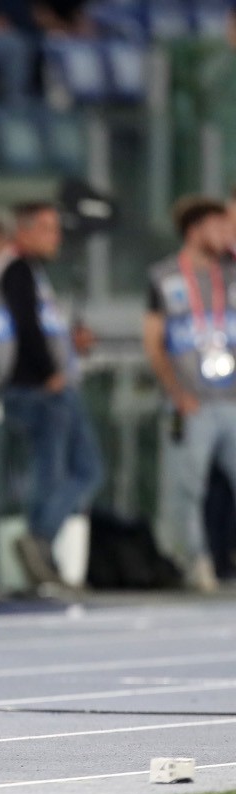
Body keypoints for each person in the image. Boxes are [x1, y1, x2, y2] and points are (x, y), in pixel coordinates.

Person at [0, 201, 103, 589]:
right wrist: (49, 373)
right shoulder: (16, 268)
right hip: (38, 390)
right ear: (26, 230)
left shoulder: (29, 271)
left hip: (45, 385)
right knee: (58, 470)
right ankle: (39, 541)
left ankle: (41, 544)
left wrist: (70, 343)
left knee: (72, 469)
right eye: (49, 229)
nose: (57, 237)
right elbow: (25, 328)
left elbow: (40, 327)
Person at [144, 196, 236, 592]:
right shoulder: (164, 276)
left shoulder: (231, 274)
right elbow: (153, 341)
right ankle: (194, 563)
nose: (227, 234)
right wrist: (176, 392)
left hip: (231, 400)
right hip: (191, 402)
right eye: (219, 226)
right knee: (188, 487)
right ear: (196, 230)